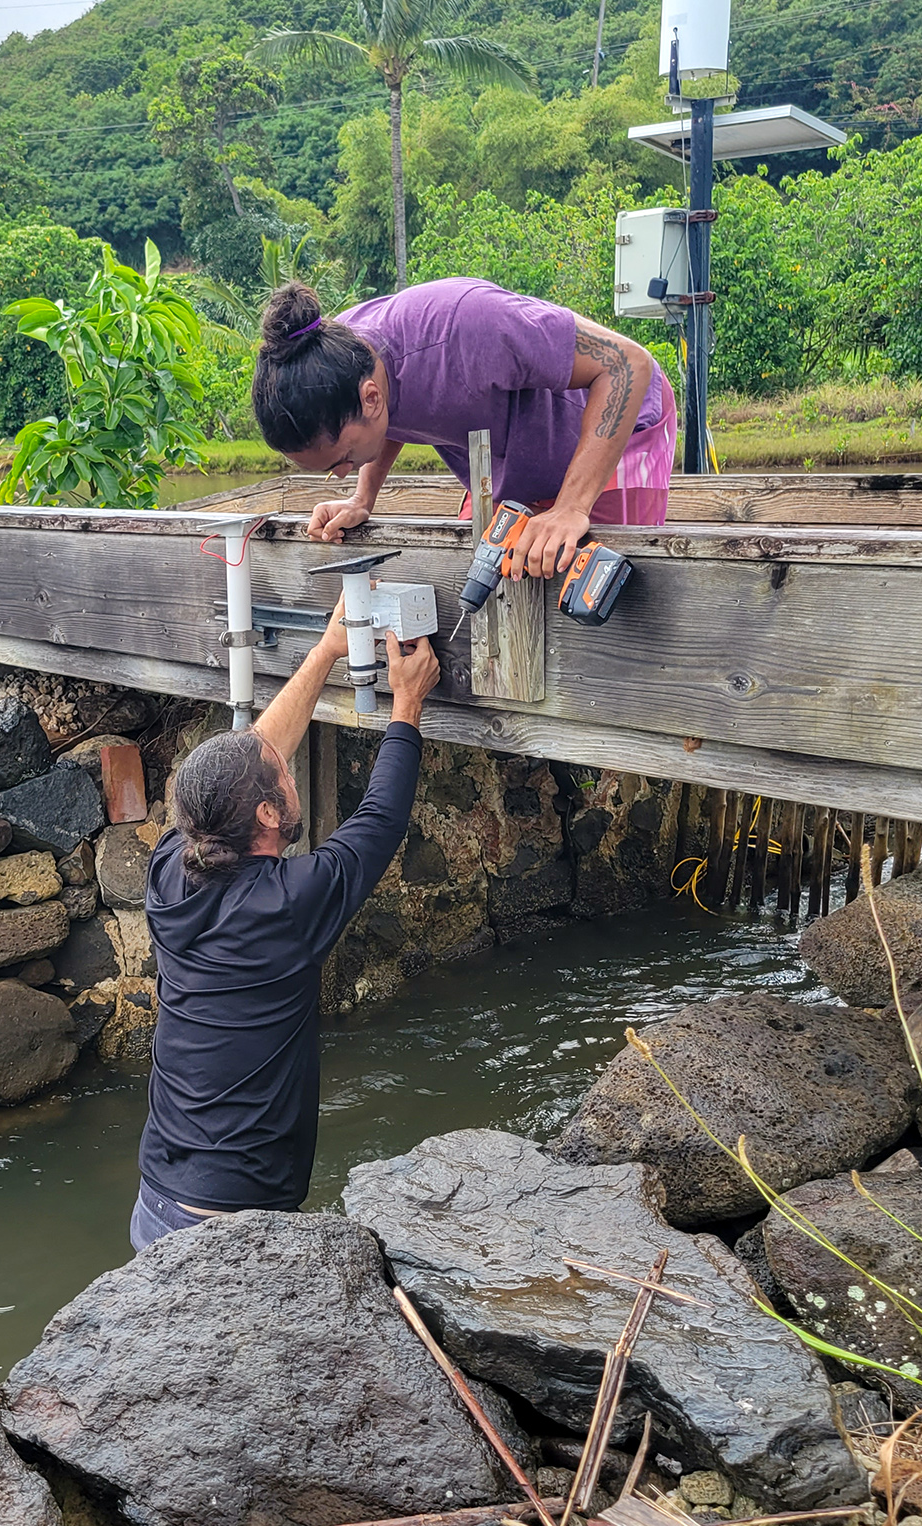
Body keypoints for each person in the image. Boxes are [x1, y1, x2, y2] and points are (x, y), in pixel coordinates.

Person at [132, 609, 441, 1250]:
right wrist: (407, 707)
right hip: (234, 1224)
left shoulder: (169, 866)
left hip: (157, 1198)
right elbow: (380, 820)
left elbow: (256, 759)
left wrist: (329, 649)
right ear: (270, 813)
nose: (284, 762)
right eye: (279, 776)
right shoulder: (287, 904)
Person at [252, 279, 676, 577]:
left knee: (595, 583)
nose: (341, 470)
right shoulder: (332, 358)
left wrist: (571, 509)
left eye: (342, 459)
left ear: (370, 398)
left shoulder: (469, 325)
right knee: (492, 573)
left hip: (617, 431)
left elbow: (626, 364)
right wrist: (363, 498)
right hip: (512, 459)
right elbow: (389, 418)